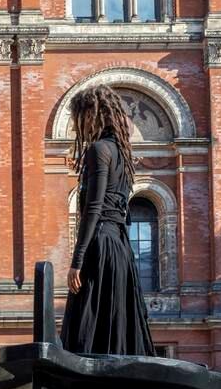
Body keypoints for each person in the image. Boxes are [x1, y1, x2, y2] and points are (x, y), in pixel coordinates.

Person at [62, 85, 157, 356]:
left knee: (87, 328)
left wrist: (76, 262)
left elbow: (94, 208)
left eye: (79, 118)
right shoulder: (123, 157)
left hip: (100, 245)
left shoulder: (98, 150)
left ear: (92, 115)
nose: (78, 127)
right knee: (115, 324)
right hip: (121, 250)